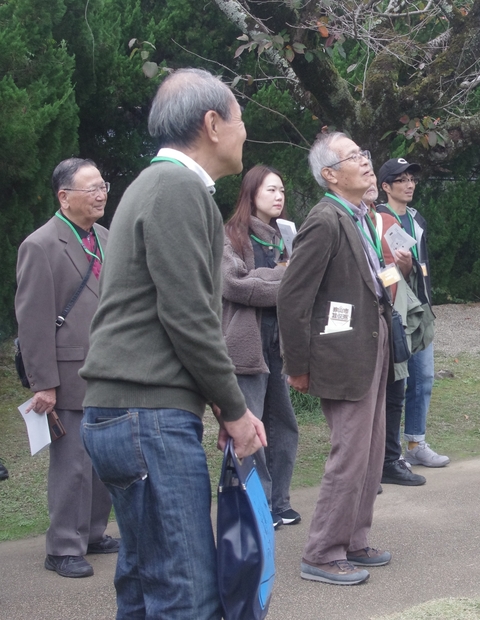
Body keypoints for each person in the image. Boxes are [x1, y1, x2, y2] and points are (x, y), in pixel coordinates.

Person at [79, 68, 266, 617]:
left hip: (125, 413)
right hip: (146, 418)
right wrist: (234, 408)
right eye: (237, 116)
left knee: (143, 585)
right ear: (212, 123)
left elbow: (169, 315)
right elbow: (188, 317)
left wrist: (216, 399)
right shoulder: (178, 188)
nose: (244, 128)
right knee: (186, 594)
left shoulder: (154, 185)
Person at [278, 132, 394, 586]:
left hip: (371, 346)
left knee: (371, 452)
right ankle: (322, 552)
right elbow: (292, 297)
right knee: (349, 454)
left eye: (364, 153)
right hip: (343, 354)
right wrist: (298, 366)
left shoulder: (361, 215)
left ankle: (354, 540)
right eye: (354, 158)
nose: (366, 163)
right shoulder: (325, 219)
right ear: (330, 174)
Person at [15, 158, 117, 578]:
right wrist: (44, 384)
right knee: (72, 462)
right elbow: (33, 319)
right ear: (64, 196)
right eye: (90, 188)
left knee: (102, 459)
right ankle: (62, 546)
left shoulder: (107, 238)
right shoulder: (40, 245)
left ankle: (92, 533)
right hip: (68, 371)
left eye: (103, 186)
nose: (101, 194)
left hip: (108, 370)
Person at [223, 164, 301, 529]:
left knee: (283, 426)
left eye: (282, 190)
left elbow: (300, 284)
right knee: (249, 430)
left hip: (278, 347)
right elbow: (235, 285)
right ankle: (255, 505)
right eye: (271, 189)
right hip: (245, 348)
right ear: (251, 193)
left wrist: (268, 279)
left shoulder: (285, 236)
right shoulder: (231, 236)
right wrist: (284, 277)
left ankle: (279, 501)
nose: (279, 196)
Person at [377, 158, 449, 485]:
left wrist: (428, 301)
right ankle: (386, 452)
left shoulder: (416, 218)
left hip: (420, 307)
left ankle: (416, 442)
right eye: (401, 180)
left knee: (424, 377)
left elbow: (424, 266)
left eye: (412, 180)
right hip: (394, 311)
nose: (409, 185)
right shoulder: (378, 219)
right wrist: (399, 279)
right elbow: (380, 271)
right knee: (398, 383)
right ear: (385, 186)